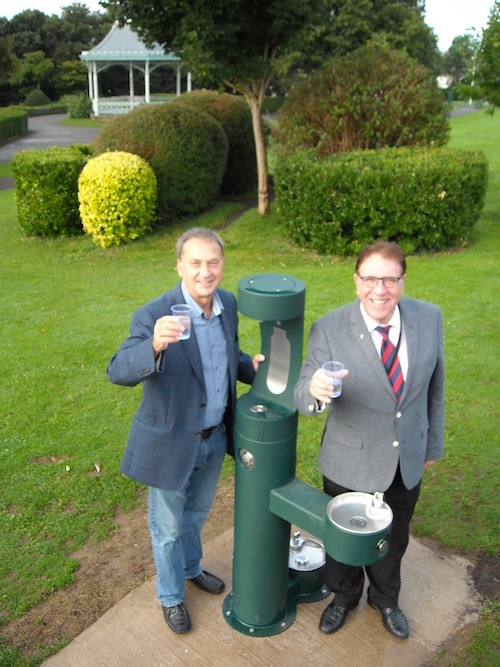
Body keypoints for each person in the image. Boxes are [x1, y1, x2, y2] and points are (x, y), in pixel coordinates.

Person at [107, 227, 263, 634]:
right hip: (171, 443)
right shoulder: (153, 313)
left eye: (213, 262)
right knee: (168, 527)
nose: (205, 271)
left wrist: (252, 368)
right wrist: (153, 347)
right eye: (195, 262)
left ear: (222, 265)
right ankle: (171, 596)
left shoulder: (227, 303)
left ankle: (192, 568)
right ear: (179, 265)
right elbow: (118, 370)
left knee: (195, 516)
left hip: (214, 437)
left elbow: (229, 356)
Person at [294, 240, 444, 640]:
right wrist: (317, 388)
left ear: (403, 281)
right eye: (371, 279)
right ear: (356, 280)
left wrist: (432, 445)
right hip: (349, 460)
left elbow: (435, 388)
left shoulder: (429, 319)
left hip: (404, 458)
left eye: (390, 279)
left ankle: (386, 598)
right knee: (343, 538)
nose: (380, 290)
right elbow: (302, 395)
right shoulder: (329, 327)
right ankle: (343, 596)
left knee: (394, 538)